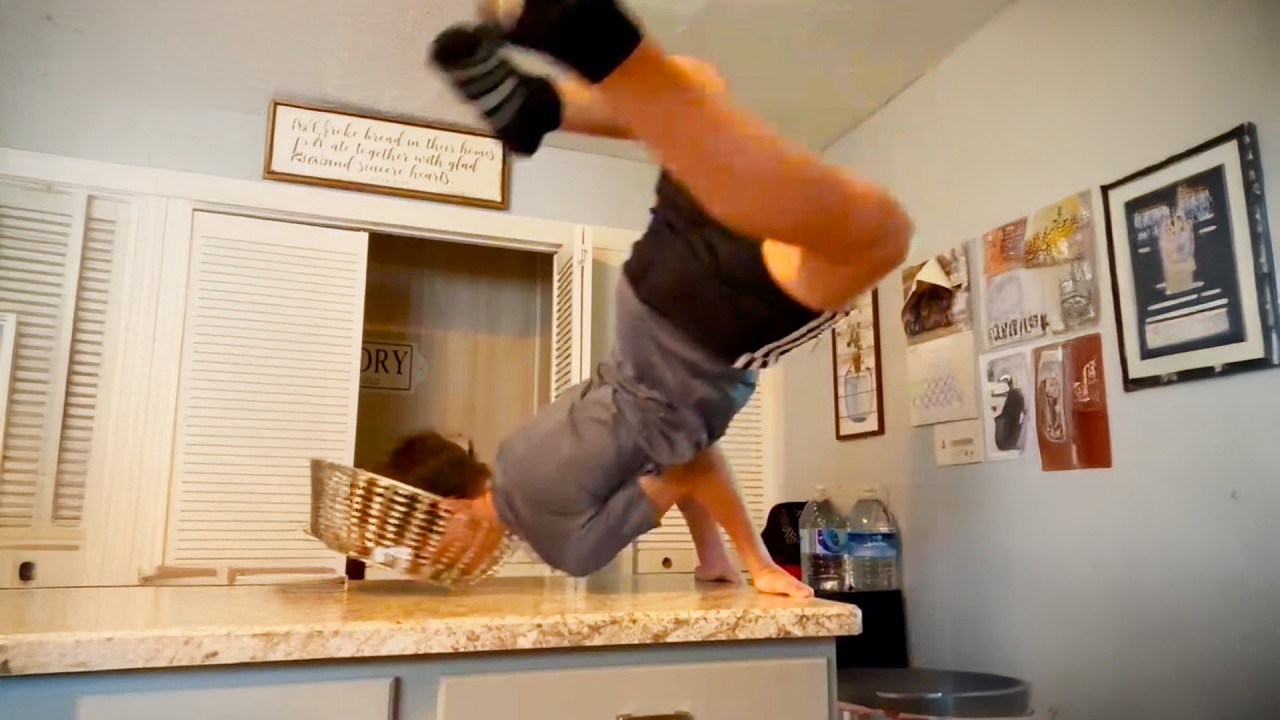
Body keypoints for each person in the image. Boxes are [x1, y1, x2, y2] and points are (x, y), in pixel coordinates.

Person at [393, 0, 913, 598]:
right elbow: (670, 455)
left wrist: (757, 562)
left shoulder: (565, 547)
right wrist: (712, 555)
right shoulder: (514, 456)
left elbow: (689, 464)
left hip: (707, 341)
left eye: (426, 552)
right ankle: (545, 106)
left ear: (450, 510)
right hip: (645, 299)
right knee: (696, 89)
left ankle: (605, 48)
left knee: (879, 234)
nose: (434, 567)